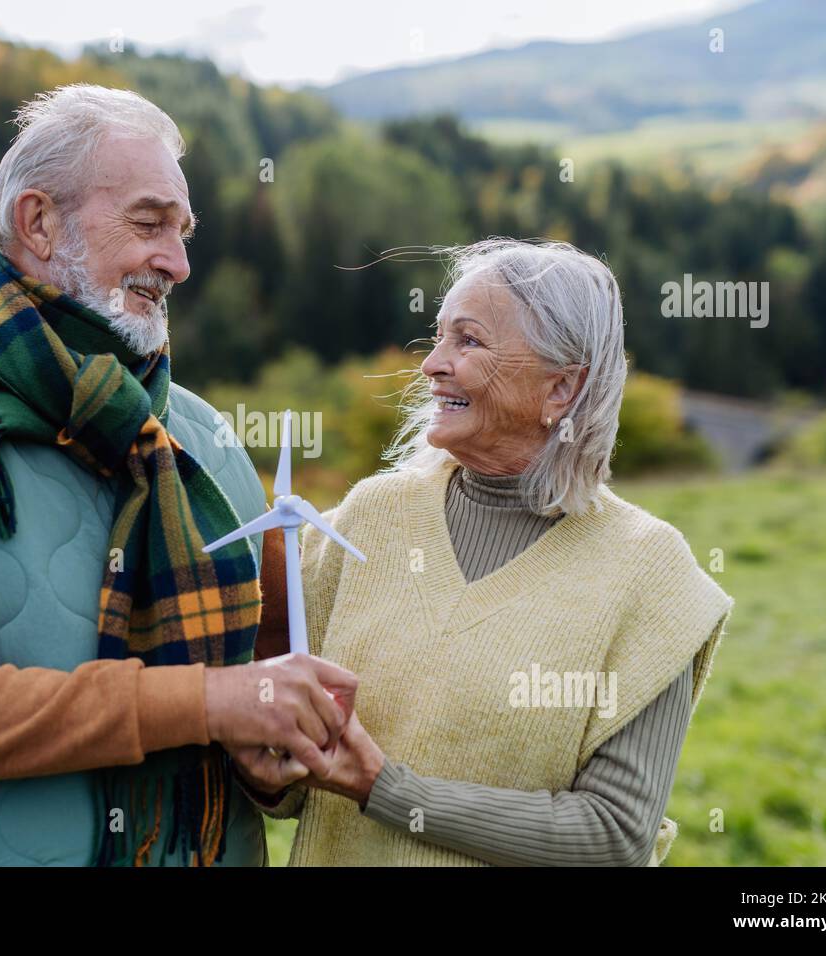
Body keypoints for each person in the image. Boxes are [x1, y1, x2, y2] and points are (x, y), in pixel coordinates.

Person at [0, 84, 354, 867]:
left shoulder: (207, 436)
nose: (179, 261)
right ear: (38, 222)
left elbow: (264, 686)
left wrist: (279, 760)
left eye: (184, 231)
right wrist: (207, 704)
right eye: (149, 222)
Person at [233, 238, 735, 866]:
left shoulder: (651, 577)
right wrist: (267, 764)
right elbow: (294, 790)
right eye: (438, 338)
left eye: (467, 341)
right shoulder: (366, 517)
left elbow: (613, 837)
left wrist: (386, 789)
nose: (431, 365)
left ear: (560, 390)